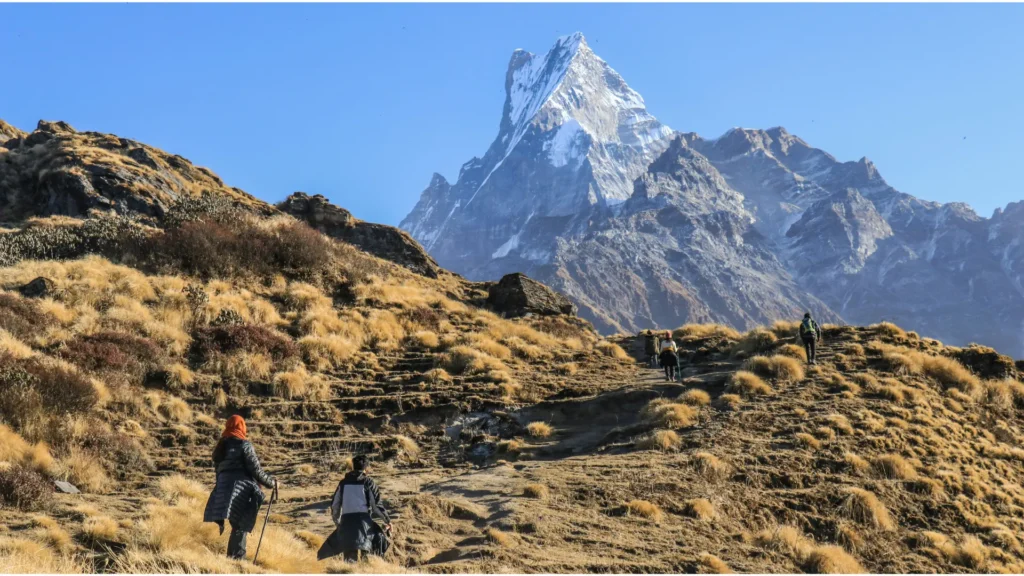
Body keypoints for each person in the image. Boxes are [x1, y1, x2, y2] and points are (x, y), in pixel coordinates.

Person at [203, 415, 278, 560]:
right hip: (240, 490)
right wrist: (272, 483)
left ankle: (232, 560)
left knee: (236, 525)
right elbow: (256, 470)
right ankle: (238, 560)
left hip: (222, 491)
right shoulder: (244, 445)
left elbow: (218, 473)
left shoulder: (221, 447)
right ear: (242, 427)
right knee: (240, 525)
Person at [317, 455, 393, 563]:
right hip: (364, 525)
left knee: (349, 560)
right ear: (366, 468)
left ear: (353, 467)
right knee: (367, 558)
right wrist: (388, 521)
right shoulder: (368, 482)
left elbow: (335, 505)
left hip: (347, 523)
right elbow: (376, 506)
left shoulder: (343, 483)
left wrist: (338, 523)